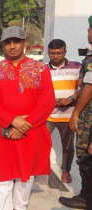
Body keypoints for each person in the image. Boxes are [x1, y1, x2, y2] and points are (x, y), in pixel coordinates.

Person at [0, 26, 55, 210]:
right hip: (2, 134)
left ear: (24, 43)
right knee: (1, 182)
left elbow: (48, 102)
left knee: (24, 181)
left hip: (30, 134)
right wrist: (13, 120)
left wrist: (24, 125)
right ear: (3, 45)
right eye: (8, 43)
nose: (12, 46)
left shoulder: (40, 69)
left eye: (16, 42)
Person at [58, 16, 92, 210]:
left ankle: (87, 198)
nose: (87, 33)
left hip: (88, 117)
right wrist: (73, 97)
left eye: (89, 29)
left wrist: (76, 112)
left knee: (85, 155)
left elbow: (89, 86)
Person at [46, 39, 82, 183]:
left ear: (65, 52)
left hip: (69, 115)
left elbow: (85, 88)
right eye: (52, 53)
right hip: (47, 116)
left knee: (67, 147)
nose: (56, 56)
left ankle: (65, 171)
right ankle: (39, 170)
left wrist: (72, 98)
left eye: (59, 53)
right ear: (48, 53)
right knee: (41, 144)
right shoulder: (43, 69)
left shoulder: (77, 67)